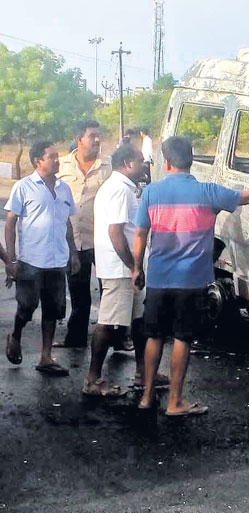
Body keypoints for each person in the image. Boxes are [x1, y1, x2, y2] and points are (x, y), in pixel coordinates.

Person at [134, 136, 249, 416]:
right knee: (182, 338)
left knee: (154, 336)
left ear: (166, 162)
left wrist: (137, 267)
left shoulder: (151, 193)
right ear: (191, 161)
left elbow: (141, 233)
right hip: (190, 281)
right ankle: (175, 401)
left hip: (158, 277)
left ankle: (146, 397)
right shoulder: (208, 192)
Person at [84, 144, 169, 396]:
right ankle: (93, 380)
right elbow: (115, 232)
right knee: (109, 324)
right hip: (120, 269)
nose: (145, 165)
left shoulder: (122, 188)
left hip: (127, 268)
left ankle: (143, 372)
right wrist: (133, 266)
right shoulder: (119, 190)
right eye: (141, 161)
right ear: (127, 163)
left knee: (139, 322)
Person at [5, 141, 81, 374]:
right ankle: (15, 335)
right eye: (52, 157)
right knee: (27, 307)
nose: (57, 160)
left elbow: (67, 222)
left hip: (57, 260)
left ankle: (45, 357)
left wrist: (73, 253)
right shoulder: (24, 186)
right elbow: (10, 223)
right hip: (31, 260)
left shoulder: (64, 188)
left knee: (53, 310)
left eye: (57, 156)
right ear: (38, 161)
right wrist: (11, 259)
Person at [56, 120, 111, 348]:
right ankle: (76, 338)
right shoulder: (61, 165)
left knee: (109, 290)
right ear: (79, 139)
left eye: (99, 136)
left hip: (103, 240)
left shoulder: (107, 166)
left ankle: (116, 338)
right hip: (74, 241)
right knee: (79, 295)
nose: (97, 140)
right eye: (92, 136)